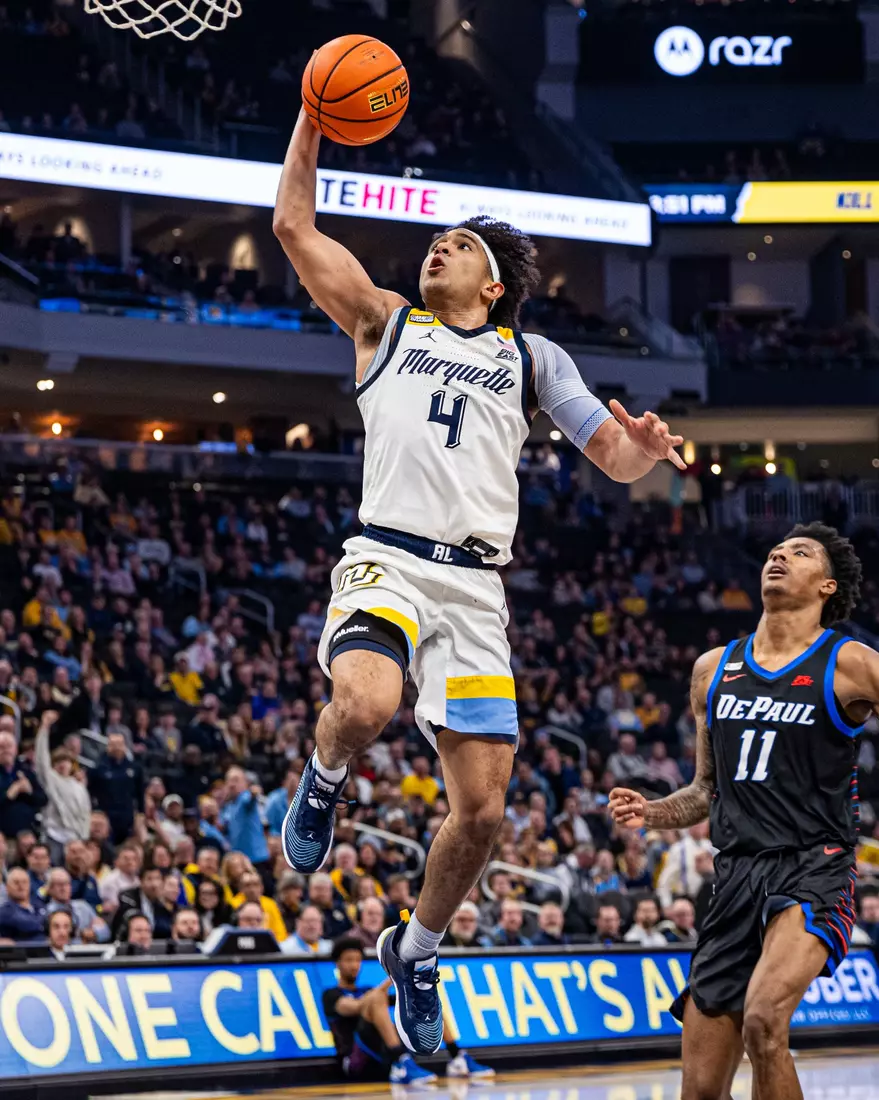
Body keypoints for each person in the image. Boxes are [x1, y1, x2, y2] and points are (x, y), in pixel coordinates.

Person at [274, 107, 685, 1054]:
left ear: (491, 284)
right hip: (388, 554)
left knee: (484, 810)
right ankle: (322, 778)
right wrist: (310, 119)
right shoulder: (383, 321)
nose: (437, 252)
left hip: (474, 590)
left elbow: (616, 463)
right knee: (366, 704)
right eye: (433, 243)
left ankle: (414, 951)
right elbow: (295, 229)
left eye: (456, 246)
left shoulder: (531, 358)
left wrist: (645, 449)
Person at [610, 522, 879, 1100]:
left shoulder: (850, 662)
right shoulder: (713, 669)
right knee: (701, 1089)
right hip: (734, 876)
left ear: (828, 586)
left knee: (764, 1021)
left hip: (813, 868)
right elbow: (704, 790)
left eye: (800, 553)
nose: (779, 556)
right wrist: (653, 812)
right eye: (776, 551)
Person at [323, 938, 492, 1084]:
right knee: (375, 998)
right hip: (355, 1062)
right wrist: (392, 977)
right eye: (348, 960)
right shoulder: (331, 995)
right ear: (337, 963)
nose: (354, 965)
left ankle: (457, 1057)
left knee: (424, 999)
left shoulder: (367, 990)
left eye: (357, 960)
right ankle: (401, 1061)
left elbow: (397, 999)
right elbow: (354, 1007)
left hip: (382, 1055)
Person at [43, 867, 110, 943]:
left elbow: (106, 932)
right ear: (50, 888)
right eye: (59, 884)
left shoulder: (83, 906)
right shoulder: (47, 911)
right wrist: (82, 934)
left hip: (88, 952)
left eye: (67, 884)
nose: (63, 888)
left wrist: (92, 933)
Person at [0, 866, 45, 941]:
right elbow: (27, 925)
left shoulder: (38, 905)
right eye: (16, 882)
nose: (21, 886)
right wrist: (43, 923)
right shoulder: (5, 911)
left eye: (24, 882)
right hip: (20, 951)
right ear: (7, 887)